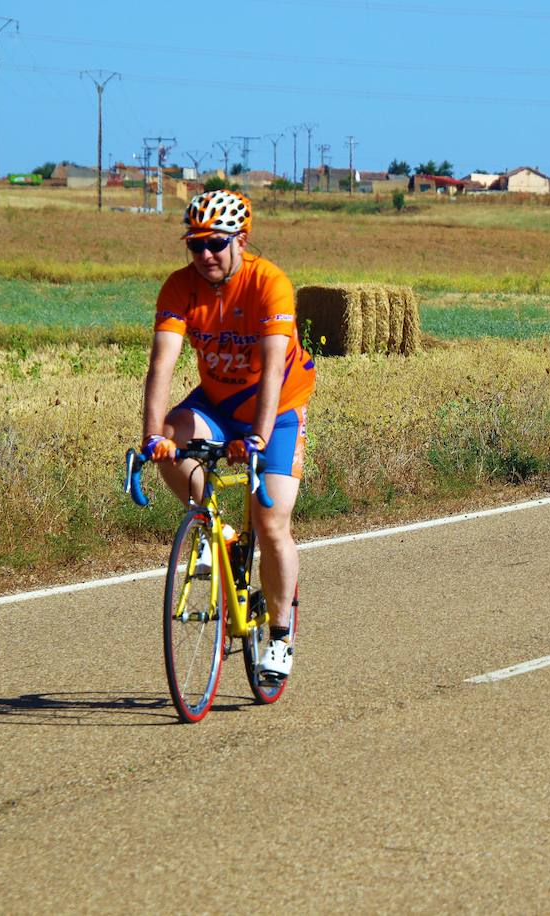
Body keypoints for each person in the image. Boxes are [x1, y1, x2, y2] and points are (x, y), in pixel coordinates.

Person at [140, 189, 316, 683]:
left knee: (272, 520)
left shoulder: (269, 283)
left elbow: (276, 371)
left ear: (241, 239)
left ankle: (279, 637)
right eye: (195, 246)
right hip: (218, 403)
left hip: (276, 411)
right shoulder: (180, 287)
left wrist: (257, 438)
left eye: (216, 244)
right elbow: (162, 363)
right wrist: (152, 437)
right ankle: (210, 521)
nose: (205, 256)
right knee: (170, 437)